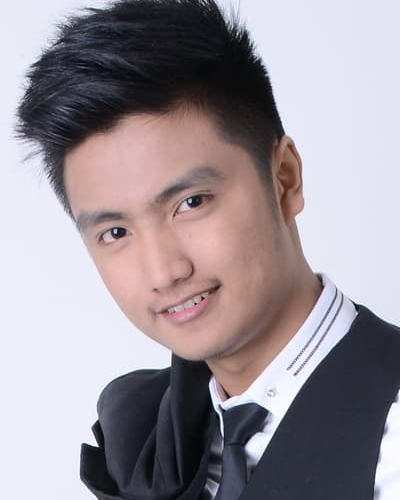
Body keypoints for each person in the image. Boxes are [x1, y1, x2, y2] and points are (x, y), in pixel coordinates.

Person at [16, 0, 400, 499]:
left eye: (190, 203)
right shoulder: (143, 440)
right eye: (115, 232)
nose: (163, 271)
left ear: (284, 178)